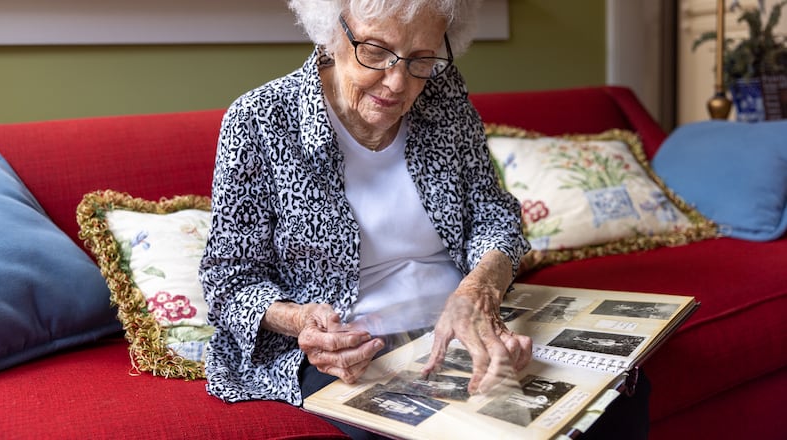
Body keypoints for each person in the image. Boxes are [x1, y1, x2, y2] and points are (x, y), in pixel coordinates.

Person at [199, 1, 649, 439]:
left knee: (616, 396)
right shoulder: (260, 120)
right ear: (332, 33)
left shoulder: (443, 95)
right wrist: (300, 321)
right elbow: (228, 282)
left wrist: (477, 294)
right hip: (359, 348)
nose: (398, 82)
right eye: (375, 51)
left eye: (422, 59)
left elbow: (492, 212)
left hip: (463, 323)